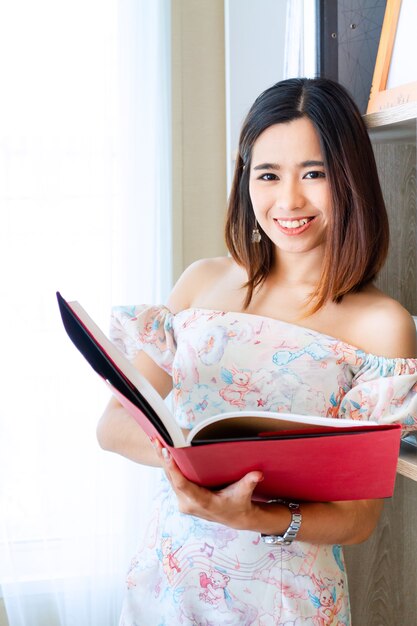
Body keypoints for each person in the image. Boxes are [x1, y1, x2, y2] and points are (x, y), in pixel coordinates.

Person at [97, 77, 417, 625]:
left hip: (286, 599)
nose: (288, 200)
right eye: (268, 175)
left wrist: (253, 517)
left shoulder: (382, 325)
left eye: (314, 174)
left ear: (350, 179)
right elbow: (112, 426)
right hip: (169, 578)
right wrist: (188, 466)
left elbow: (359, 518)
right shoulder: (202, 283)